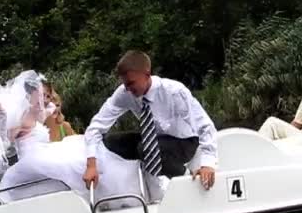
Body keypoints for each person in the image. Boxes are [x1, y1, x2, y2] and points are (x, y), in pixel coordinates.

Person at [82, 50, 218, 198]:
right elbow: (96, 126)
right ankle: (129, 187)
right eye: (124, 84)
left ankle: (185, 179)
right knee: (111, 142)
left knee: (145, 148)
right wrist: (91, 164)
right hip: (155, 139)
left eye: (131, 83)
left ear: (147, 75)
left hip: (185, 142)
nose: (127, 88)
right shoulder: (124, 93)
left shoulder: (174, 91)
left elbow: (205, 125)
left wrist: (207, 164)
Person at [0, 70, 143, 207]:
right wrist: (3, 118)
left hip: (46, 150)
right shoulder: (20, 119)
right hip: (32, 156)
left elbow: (54, 112)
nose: (42, 97)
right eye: (39, 93)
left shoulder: (37, 112)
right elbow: (8, 138)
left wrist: (53, 110)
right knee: (71, 164)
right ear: (28, 95)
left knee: (84, 150)